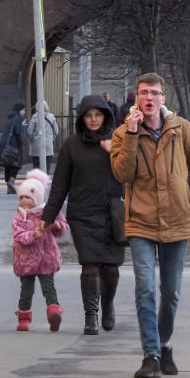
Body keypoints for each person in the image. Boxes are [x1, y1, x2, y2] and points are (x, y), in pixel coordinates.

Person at [111, 73, 190, 378]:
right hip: (140, 220)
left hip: (178, 218)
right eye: (143, 92)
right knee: (145, 289)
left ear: (163, 98)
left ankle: (164, 343)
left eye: (154, 92)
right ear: (137, 98)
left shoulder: (182, 129)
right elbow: (122, 175)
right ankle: (151, 354)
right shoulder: (123, 133)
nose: (149, 97)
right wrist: (131, 134)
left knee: (172, 293)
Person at [41, 94, 126, 336]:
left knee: (110, 267)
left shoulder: (117, 140)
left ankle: (107, 305)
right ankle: (91, 316)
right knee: (89, 264)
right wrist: (48, 217)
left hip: (114, 214)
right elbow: (59, 185)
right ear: (82, 118)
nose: (93, 119)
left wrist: (116, 151)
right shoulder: (71, 145)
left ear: (105, 116)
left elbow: (133, 171)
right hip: (82, 215)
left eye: (98, 115)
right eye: (89, 115)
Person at [13, 169, 67, 332]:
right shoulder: (20, 217)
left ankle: (53, 311)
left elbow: (63, 226)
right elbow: (20, 236)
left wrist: (55, 225)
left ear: (37, 198)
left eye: (27, 197)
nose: (23, 201)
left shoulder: (49, 213)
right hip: (26, 260)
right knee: (26, 290)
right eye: (21, 197)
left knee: (48, 287)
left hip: (46, 258)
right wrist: (34, 234)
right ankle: (24, 317)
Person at [0, 103, 26, 194]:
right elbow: (17, 133)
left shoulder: (9, 117)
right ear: (19, 110)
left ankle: (8, 186)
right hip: (14, 144)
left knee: (7, 164)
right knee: (16, 164)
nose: (24, 112)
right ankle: (11, 180)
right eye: (23, 110)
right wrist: (20, 144)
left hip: (5, 144)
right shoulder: (18, 118)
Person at [27, 101, 59, 174]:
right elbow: (56, 131)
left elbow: (29, 131)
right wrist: (50, 138)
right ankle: (44, 184)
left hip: (36, 147)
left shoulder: (35, 116)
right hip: (48, 147)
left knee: (36, 171)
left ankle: (37, 184)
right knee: (46, 171)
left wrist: (33, 138)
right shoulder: (51, 116)